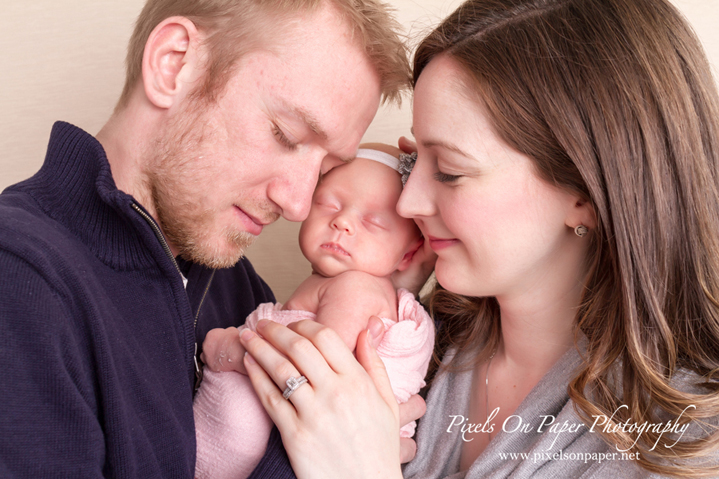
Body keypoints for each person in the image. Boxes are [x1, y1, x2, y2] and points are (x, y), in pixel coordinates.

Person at [205, 0, 719, 477]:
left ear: (583, 194)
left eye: (448, 171)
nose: (407, 204)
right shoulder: (422, 341)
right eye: (412, 164)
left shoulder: (686, 441)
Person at [0, 0, 424, 477]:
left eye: (326, 169)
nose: (299, 205)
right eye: (285, 135)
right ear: (174, 64)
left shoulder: (234, 285)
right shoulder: (19, 282)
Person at [193, 145, 435, 479]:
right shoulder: (343, 284)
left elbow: (317, 367)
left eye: (373, 222)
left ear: (408, 256)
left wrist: (227, 351)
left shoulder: (357, 288)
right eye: (329, 204)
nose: (342, 222)